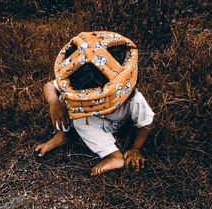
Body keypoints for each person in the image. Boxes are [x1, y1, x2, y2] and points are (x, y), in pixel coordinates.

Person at [35, 31, 154, 175]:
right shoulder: (79, 76)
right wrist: (54, 102)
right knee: (63, 99)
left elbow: (146, 122)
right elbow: (50, 86)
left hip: (110, 122)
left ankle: (114, 155)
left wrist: (135, 148)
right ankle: (62, 135)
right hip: (88, 113)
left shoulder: (134, 99)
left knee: (80, 121)